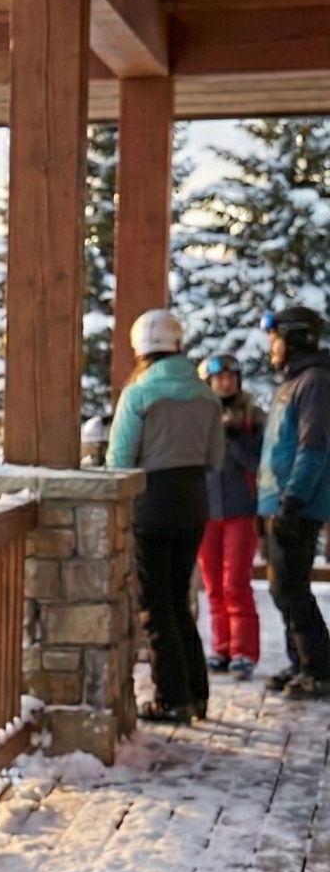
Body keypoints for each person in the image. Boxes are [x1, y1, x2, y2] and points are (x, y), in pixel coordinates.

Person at [107, 309, 224, 724]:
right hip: (194, 502)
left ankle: (172, 698)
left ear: (140, 348)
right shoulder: (207, 396)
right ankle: (196, 695)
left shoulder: (139, 394)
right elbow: (215, 458)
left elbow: (119, 460)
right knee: (178, 600)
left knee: (155, 605)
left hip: (151, 504)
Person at [257, 305, 330, 699]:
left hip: (298, 504)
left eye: (276, 339)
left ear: (296, 338)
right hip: (278, 501)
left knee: (292, 588)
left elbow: (313, 446)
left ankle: (319, 668)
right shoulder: (293, 381)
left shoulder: (315, 381)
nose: (272, 347)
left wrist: (293, 500)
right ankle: (300, 660)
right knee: (281, 588)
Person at [197, 354, 264, 679]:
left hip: (241, 509)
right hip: (206, 509)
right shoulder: (198, 415)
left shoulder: (253, 417)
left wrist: (236, 439)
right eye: (219, 378)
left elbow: (260, 463)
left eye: (230, 377)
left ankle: (243, 651)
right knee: (213, 586)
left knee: (235, 583)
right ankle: (221, 647)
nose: (225, 383)